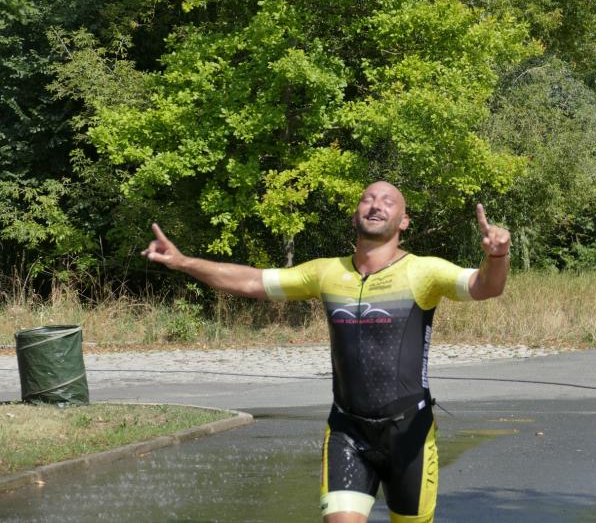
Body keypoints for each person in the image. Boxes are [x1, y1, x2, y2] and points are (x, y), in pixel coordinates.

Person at [142, 181, 510, 523]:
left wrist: (497, 257)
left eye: (388, 201)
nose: (375, 205)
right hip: (348, 431)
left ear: (404, 221)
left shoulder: (423, 271)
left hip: (408, 433)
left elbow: (484, 286)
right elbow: (253, 281)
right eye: (367, 199)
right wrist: (183, 262)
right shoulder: (326, 273)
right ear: (355, 214)